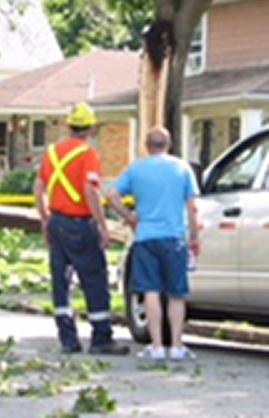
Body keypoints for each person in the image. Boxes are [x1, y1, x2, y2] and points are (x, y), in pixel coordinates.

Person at [34, 102, 129, 355]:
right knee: (94, 280)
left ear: (69, 126)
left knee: (61, 282)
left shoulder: (52, 152)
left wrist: (45, 219)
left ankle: (67, 339)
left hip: (57, 222)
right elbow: (90, 190)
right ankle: (100, 338)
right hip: (80, 224)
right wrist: (101, 224)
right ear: (90, 128)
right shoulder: (88, 154)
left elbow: (39, 187)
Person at [107, 126, 201, 361]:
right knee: (176, 293)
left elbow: (111, 195)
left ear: (147, 146)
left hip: (145, 237)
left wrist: (128, 217)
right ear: (169, 145)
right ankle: (177, 345)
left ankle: (157, 345)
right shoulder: (182, 168)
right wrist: (194, 236)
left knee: (150, 291)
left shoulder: (136, 169)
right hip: (174, 237)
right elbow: (192, 207)